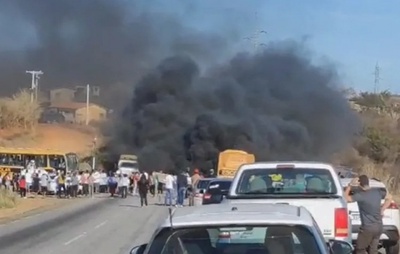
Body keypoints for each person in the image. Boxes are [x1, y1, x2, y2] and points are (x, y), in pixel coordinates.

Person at [344, 175, 393, 254]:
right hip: (378, 226)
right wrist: (382, 209)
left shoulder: (360, 195)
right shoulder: (377, 192)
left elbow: (345, 197)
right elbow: (390, 197)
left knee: (360, 249)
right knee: (373, 250)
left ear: (359, 184)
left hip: (367, 228)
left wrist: (350, 186)